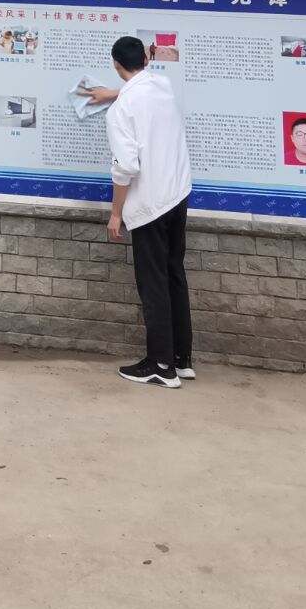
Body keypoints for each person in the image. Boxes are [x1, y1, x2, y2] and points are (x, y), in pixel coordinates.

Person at [87, 36, 194, 388]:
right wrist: (112, 93)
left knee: (153, 284)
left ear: (116, 64)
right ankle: (181, 360)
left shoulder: (121, 111)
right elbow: (139, 89)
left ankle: (160, 365)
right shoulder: (162, 85)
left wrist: (116, 213)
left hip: (150, 206)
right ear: (146, 60)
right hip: (177, 195)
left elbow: (126, 167)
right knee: (174, 275)